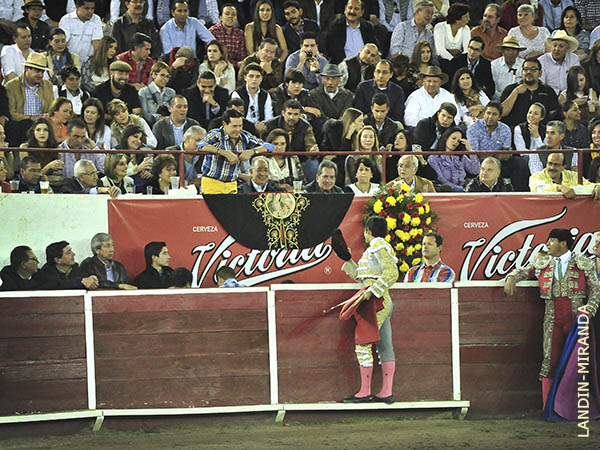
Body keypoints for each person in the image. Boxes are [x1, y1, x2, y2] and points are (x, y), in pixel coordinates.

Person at [504, 228, 600, 411]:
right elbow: (523, 271)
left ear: (563, 243)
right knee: (550, 360)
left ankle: (577, 408)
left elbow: (596, 289)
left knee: (576, 362)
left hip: (576, 318)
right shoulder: (543, 262)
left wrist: (589, 310)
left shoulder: (583, 262)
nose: (547, 243)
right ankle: (549, 408)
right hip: (551, 317)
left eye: (551, 240)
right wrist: (511, 277)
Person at [338, 216, 399, 403]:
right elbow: (363, 278)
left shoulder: (378, 245)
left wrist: (372, 291)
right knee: (385, 346)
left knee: (363, 343)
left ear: (368, 231)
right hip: (379, 300)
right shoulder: (375, 248)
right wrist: (348, 260)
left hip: (377, 301)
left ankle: (365, 392)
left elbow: (392, 273)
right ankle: (386, 392)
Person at [198, 109, 275, 194]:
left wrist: (252, 151)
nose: (238, 129)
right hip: (212, 182)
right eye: (234, 126)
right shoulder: (216, 134)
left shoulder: (244, 136)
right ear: (224, 124)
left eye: (240, 126)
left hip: (232, 184)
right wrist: (225, 153)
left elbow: (270, 147)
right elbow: (200, 145)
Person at [467, 102, 529, 193]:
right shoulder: (473, 129)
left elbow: (506, 149)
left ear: (499, 117)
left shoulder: (505, 129)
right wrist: (494, 155)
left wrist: (506, 155)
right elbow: (475, 153)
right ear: (484, 114)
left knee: (520, 162)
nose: (490, 117)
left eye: (494, 114)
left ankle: (518, 193)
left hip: (500, 162)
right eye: (488, 113)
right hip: (481, 163)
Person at [5, 52, 53, 147]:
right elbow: (11, 114)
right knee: (26, 123)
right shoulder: (11, 86)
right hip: (20, 128)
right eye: (37, 71)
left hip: (42, 126)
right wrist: (32, 118)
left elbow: (51, 109)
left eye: (42, 72)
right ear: (27, 68)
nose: (40, 75)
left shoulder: (47, 85)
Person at [264, 99, 319, 179]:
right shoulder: (271, 125)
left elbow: (310, 146)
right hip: (275, 158)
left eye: (295, 114)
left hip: (300, 159)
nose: (291, 117)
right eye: (289, 113)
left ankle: (310, 187)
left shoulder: (306, 127)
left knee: (313, 163)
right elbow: (264, 144)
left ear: (300, 115)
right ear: (283, 113)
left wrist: (312, 151)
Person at [500, 57, 559, 129]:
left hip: (541, 132)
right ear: (522, 72)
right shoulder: (511, 89)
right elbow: (502, 113)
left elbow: (554, 115)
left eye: (533, 69)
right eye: (526, 69)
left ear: (540, 73)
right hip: (514, 130)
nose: (528, 72)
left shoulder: (548, 91)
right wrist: (515, 92)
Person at [325, 0, 378, 64]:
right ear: (345, 9)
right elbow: (333, 52)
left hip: (364, 65)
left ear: (362, 12)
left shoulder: (368, 27)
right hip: (342, 66)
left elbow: (374, 47)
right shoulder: (335, 26)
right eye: (350, 8)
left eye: (356, 9)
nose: (352, 11)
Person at [429, 126, 480, 192]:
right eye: (453, 138)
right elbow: (441, 179)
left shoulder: (461, 157)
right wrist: (459, 189)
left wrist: (470, 150)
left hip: (464, 189)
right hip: (446, 190)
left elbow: (476, 170)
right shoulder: (434, 158)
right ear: (446, 138)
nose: (456, 142)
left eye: (458, 141)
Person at [529, 152, 600, 198]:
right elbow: (537, 189)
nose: (552, 167)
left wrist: (596, 186)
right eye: (549, 163)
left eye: (556, 164)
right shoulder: (536, 176)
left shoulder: (573, 176)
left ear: (563, 167)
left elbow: (587, 184)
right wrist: (559, 188)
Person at [35, 241, 99, 290]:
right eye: (68, 253)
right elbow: (56, 284)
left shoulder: (77, 270)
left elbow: (86, 281)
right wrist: (80, 282)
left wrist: (92, 280)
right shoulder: (44, 273)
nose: (73, 254)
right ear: (58, 260)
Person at [232, 63, 273, 136]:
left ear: (261, 78)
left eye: (257, 77)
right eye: (251, 76)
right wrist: (253, 127)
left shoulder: (265, 95)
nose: (254, 79)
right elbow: (237, 116)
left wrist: (262, 125)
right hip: (243, 129)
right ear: (245, 77)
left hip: (262, 129)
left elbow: (269, 116)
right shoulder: (237, 93)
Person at [448, 36, 496, 100]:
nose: (472, 52)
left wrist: (479, 97)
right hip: (459, 96)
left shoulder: (486, 64)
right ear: (467, 47)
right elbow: (451, 84)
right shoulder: (456, 61)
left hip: (477, 97)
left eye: (476, 49)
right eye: (471, 48)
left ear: (481, 52)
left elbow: (490, 87)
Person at [19, 118, 62, 184]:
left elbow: (57, 174)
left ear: (49, 132)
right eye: (38, 130)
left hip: (51, 183)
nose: (42, 133)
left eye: (45, 130)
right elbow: (28, 175)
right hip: (32, 183)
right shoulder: (25, 147)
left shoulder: (57, 148)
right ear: (33, 132)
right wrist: (48, 167)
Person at [539, 30, 581, 95]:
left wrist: (566, 94)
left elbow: (577, 80)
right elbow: (541, 84)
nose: (556, 49)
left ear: (567, 48)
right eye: (554, 45)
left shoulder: (573, 58)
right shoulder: (542, 60)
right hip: (549, 95)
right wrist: (559, 94)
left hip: (570, 94)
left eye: (561, 46)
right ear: (550, 47)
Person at [138, 61, 177, 127]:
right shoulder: (143, 92)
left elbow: (175, 112)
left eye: (167, 76)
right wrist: (158, 118)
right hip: (151, 126)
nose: (165, 79)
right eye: (162, 75)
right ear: (153, 75)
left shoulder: (171, 92)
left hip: (169, 126)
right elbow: (145, 114)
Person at [208, 3, 247, 68]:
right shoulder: (213, 32)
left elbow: (241, 56)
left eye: (233, 14)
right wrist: (235, 63)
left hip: (235, 68)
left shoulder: (239, 33)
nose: (230, 16)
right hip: (216, 66)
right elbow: (212, 56)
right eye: (227, 14)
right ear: (220, 17)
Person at [490, 35, 525, 100]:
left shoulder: (524, 65)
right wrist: (503, 99)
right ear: (502, 51)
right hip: (498, 100)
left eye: (514, 49)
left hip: (520, 100)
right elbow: (492, 87)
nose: (510, 52)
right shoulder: (494, 65)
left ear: (518, 52)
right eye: (507, 49)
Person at [514, 102, 547, 171]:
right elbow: (521, 151)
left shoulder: (546, 130)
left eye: (536, 113)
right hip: (525, 158)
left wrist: (537, 135)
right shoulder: (519, 128)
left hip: (541, 158)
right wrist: (534, 156)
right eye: (530, 112)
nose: (531, 115)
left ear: (542, 117)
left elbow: (544, 151)